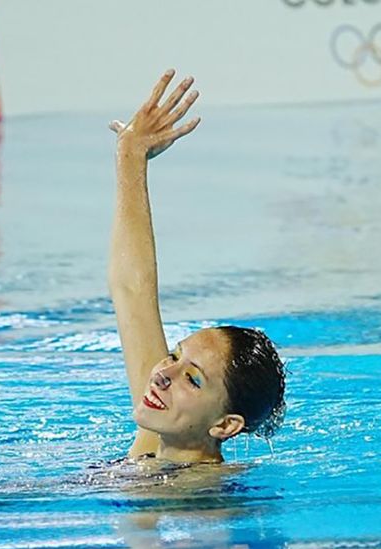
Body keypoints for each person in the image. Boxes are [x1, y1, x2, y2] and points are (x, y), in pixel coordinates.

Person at [108, 70, 286, 465]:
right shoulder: (158, 437)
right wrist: (131, 154)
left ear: (225, 425)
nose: (162, 374)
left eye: (192, 379)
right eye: (174, 356)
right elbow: (132, 291)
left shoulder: (202, 496)